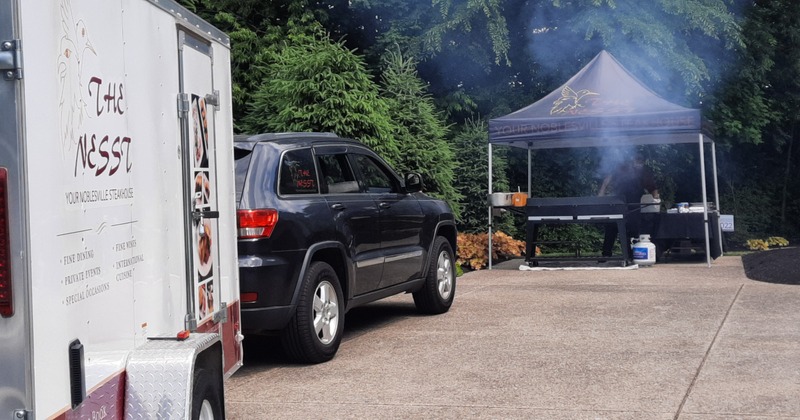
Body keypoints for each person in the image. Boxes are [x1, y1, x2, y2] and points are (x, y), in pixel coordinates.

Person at [598, 152, 659, 259]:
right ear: (632, 161)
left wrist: (656, 201)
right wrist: (601, 192)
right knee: (611, 226)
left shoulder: (644, 173)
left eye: (640, 162)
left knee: (631, 230)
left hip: (634, 206)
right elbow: (608, 178)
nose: (637, 164)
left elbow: (653, 188)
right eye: (636, 161)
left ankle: (630, 255)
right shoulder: (622, 169)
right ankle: (606, 254)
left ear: (643, 163)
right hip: (618, 203)